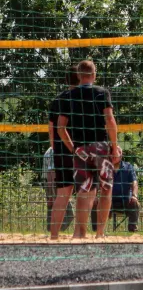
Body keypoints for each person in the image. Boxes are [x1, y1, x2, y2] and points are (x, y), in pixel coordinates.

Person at [57, 60, 120, 239]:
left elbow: (61, 128)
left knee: (84, 190)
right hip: (101, 147)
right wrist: (114, 147)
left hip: (81, 149)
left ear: (78, 75)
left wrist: (73, 148)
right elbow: (110, 120)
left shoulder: (69, 96)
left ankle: (79, 233)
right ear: (94, 74)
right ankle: (100, 233)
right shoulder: (102, 93)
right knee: (106, 188)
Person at [47, 65, 78, 239]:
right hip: (79, 150)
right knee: (84, 192)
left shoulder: (57, 100)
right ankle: (78, 234)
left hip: (61, 151)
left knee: (62, 193)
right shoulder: (83, 97)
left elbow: (51, 129)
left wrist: (55, 148)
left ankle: (54, 235)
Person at [91, 147, 139, 233]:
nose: (114, 156)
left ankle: (132, 231)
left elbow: (134, 183)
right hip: (108, 200)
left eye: (116, 153)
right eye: (112, 153)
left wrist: (134, 195)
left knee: (135, 203)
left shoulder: (128, 167)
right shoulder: (104, 167)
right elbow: (97, 183)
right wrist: (94, 196)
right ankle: (95, 230)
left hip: (125, 200)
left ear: (121, 155)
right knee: (95, 203)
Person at [43, 147, 74, 233]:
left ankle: (52, 231)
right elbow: (51, 174)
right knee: (69, 214)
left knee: (54, 210)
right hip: (55, 184)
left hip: (55, 184)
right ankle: (55, 231)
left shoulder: (52, 150)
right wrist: (51, 194)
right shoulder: (53, 151)